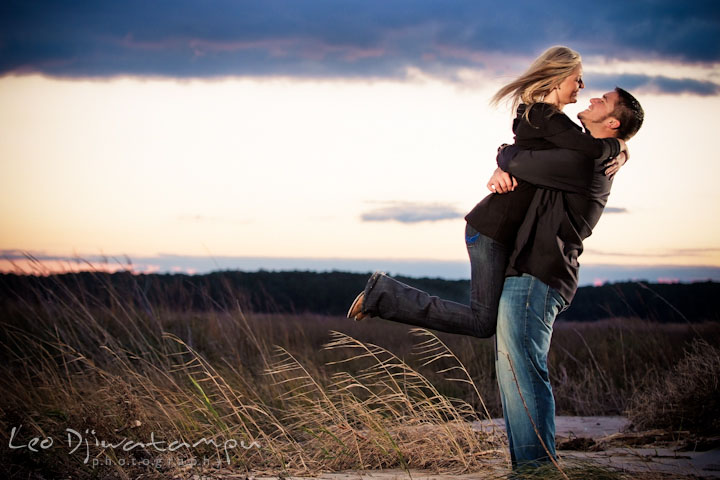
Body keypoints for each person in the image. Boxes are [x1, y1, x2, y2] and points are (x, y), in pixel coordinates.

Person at [347, 46, 626, 340]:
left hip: (501, 232)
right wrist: (620, 147)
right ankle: (384, 295)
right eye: (578, 79)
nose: (582, 87)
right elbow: (589, 150)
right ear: (558, 78)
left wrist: (504, 157)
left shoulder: (545, 120)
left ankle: (385, 295)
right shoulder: (545, 116)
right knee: (483, 322)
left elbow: (541, 156)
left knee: (487, 322)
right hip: (492, 229)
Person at [489, 86, 644, 471]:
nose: (591, 98)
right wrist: (622, 150)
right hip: (532, 272)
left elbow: (516, 157)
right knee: (515, 375)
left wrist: (502, 158)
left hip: (538, 274)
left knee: (524, 372)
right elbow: (531, 150)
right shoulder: (585, 154)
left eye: (603, 101)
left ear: (611, 123)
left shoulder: (584, 163)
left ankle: (537, 470)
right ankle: (530, 468)